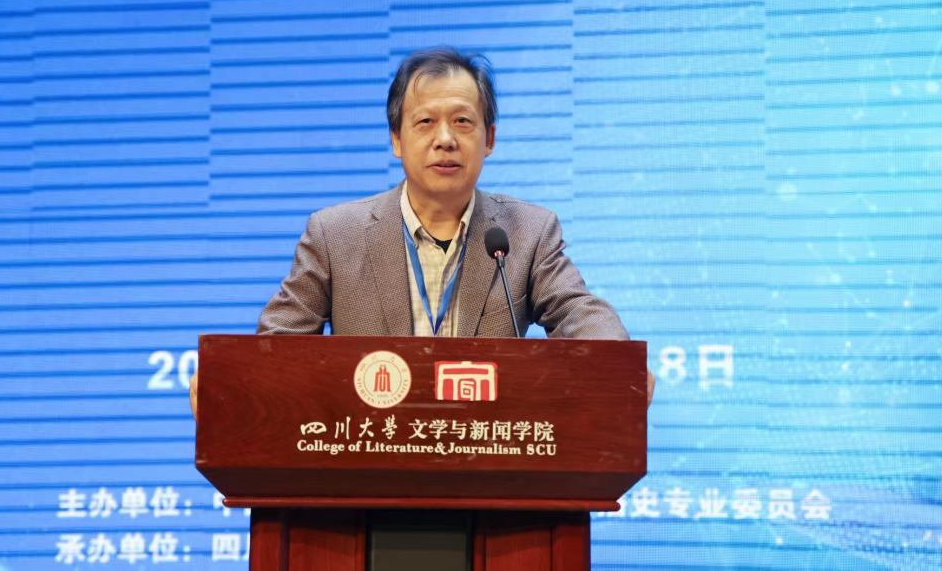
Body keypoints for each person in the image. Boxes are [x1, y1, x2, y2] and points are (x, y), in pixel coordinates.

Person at [190, 47, 654, 414]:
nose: (445, 139)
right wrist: (231, 382)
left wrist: (620, 364)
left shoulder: (526, 232)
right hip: (367, 458)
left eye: (462, 122)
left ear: (489, 139)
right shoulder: (335, 234)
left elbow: (578, 311)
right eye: (426, 122)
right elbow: (278, 344)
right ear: (397, 139)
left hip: (488, 461)